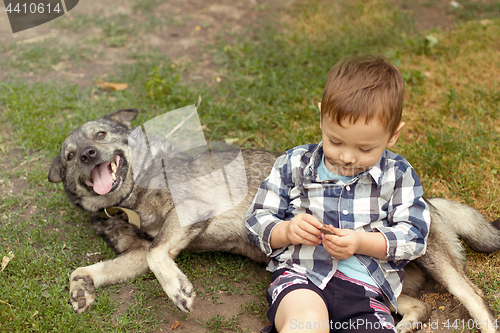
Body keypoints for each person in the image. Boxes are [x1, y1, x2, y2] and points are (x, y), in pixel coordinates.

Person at [245, 54, 431, 333]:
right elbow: (256, 219)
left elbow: (414, 236)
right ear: (321, 116)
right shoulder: (294, 163)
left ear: (393, 135)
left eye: (364, 149)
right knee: (306, 323)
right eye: (335, 141)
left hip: (366, 293)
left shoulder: (398, 175)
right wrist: (287, 230)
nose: (346, 156)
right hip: (301, 279)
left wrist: (361, 242)